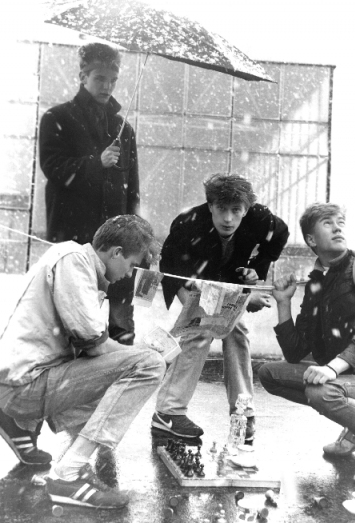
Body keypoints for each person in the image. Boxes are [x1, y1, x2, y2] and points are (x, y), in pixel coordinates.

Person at [0, 215, 166, 509]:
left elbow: (91, 347)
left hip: (22, 379)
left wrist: (133, 354)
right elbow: (96, 346)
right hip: (23, 387)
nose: (130, 274)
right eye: (131, 265)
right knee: (149, 365)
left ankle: (49, 446)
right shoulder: (74, 262)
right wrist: (144, 353)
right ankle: (67, 475)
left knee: (128, 367)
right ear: (116, 253)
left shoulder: (73, 258)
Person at [258, 202, 355, 487]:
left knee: (321, 390)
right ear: (311, 240)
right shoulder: (317, 282)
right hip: (347, 379)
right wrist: (283, 303)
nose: (338, 228)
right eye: (328, 223)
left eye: (340, 223)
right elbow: (296, 351)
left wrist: (332, 369)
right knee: (268, 374)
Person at [151, 174, 289, 440]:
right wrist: (200, 312)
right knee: (198, 331)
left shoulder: (261, 219)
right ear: (210, 205)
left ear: (246, 209)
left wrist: (255, 271)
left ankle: (242, 412)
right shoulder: (188, 224)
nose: (228, 218)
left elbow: (280, 235)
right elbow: (170, 270)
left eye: (236, 210)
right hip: (194, 280)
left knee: (238, 332)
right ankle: (168, 412)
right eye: (221, 209)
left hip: (229, 280)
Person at [39, 42, 140, 345]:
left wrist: (137, 235)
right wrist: (96, 163)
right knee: (73, 322)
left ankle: (121, 371)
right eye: (100, 78)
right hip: (74, 236)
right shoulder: (57, 118)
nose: (107, 86)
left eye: (113, 80)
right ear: (83, 77)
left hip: (116, 243)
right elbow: (53, 167)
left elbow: (132, 189)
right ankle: (73, 372)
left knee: (121, 321)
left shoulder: (123, 129)